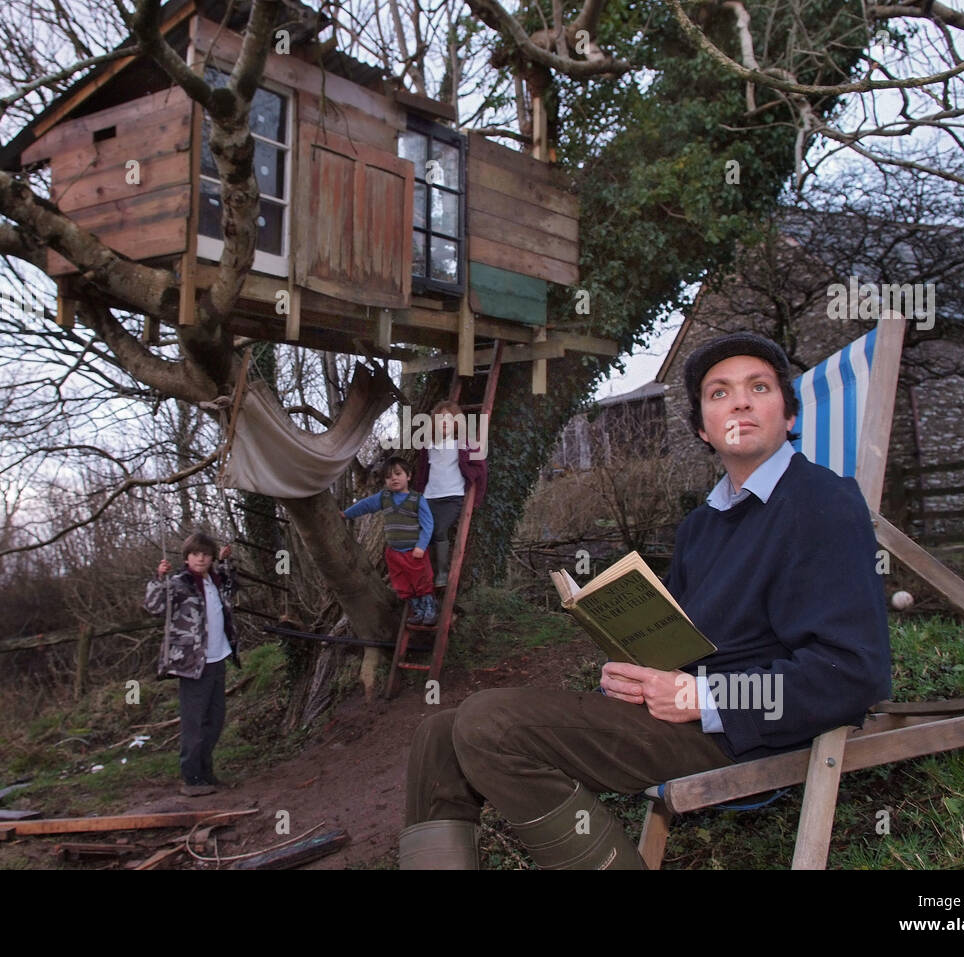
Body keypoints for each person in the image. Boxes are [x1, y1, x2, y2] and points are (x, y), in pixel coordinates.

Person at [399, 331, 892, 869]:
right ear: (704, 429)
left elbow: (851, 674)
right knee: (437, 732)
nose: (741, 401)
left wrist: (701, 698)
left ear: (789, 416)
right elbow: (677, 638)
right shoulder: (702, 525)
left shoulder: (822, 503)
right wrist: (633, 669)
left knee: (486, 724)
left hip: (749, 732)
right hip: (680, 716)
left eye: (759, 387)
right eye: (719, 392)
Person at [144, 531, 241, 797]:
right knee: (194, 723)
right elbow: (153, 607)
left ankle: (206, 773)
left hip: (218, 656)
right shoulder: (178, 583)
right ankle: (192, 778)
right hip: (192, 662)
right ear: (187, 557)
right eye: (196, 554)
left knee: (215, 720)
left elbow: (233, 588)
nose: (201, 559)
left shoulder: (216, 580)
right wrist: (158, 579)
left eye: (206, 555)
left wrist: (225, 562)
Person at [342, 456, 439, 626]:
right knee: (403, 582)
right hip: (394, 552)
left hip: (414, 551)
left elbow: (428, 524)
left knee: (421, 580)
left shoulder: (417, 499)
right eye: (388, 476)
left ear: (408, 476)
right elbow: (365, 505)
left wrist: (421, 546)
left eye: (398, 474)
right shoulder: (384, 497)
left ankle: (429, 608)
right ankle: (417, 610)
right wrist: (346, 513)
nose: (393, 478)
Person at [411, 400, 488, 588]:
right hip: (429, 497)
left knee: (439, 531)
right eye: (440, 418)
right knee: (423, 535)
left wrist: (475, 489)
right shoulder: (428, 445)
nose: (444, 422)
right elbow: (422, 473)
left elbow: (481, 470)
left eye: (449, 418)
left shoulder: (464, 444)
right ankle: (426, 574)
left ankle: (442, 573)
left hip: (452, 496)